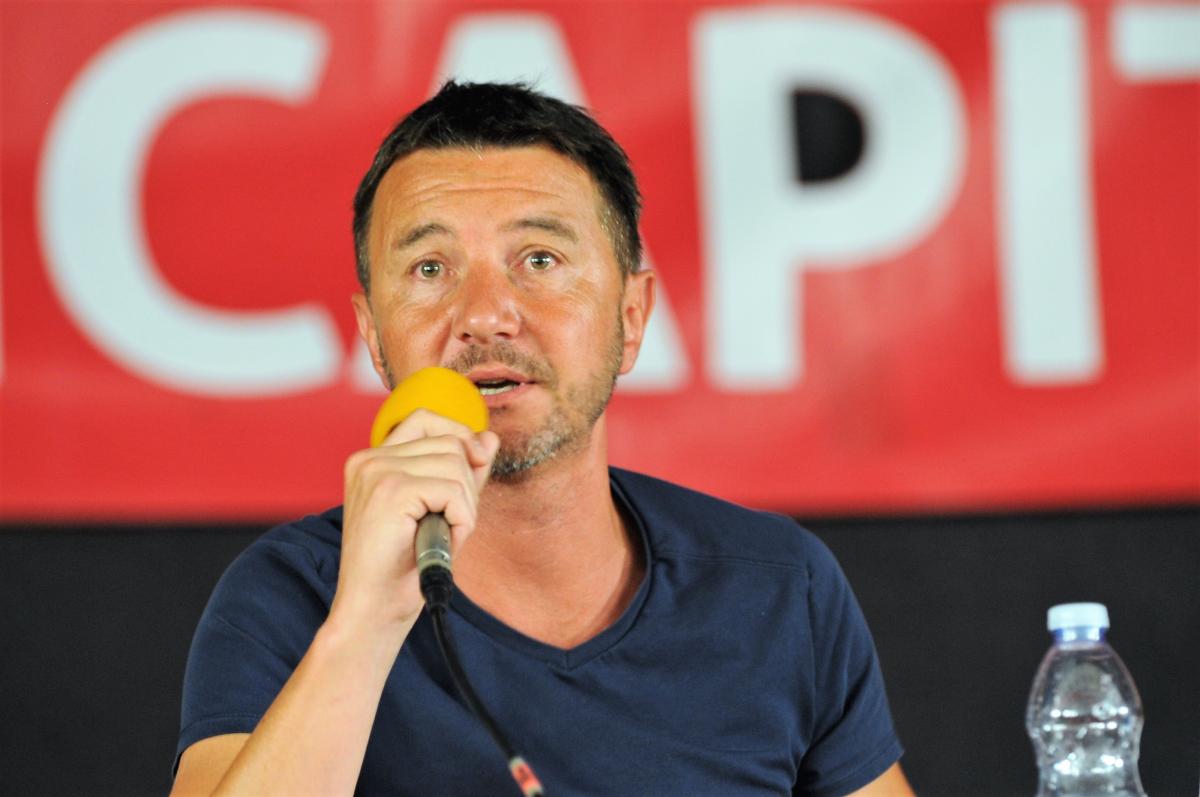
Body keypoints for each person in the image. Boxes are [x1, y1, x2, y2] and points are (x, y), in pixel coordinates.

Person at [171, 81, 912, 796]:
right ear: (372, 335)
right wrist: (366, 621)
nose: (484, 315)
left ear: (631, 317)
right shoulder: (291, 598)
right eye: (430, 268)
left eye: (539, 260)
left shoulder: (778, 589)